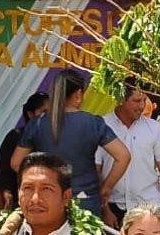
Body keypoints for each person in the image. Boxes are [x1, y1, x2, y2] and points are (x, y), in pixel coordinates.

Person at [12, 71, 130, 218]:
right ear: (79, 94)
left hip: (48, 201)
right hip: (86, 201)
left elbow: (16, 163)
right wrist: (106, 188)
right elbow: (123, 156)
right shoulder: (93, 123)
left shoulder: (37, 124)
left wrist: (40, 184)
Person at [104, 78, 160, 221]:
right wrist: (105, 210)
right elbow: (96, 171)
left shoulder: (154, 128)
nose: (142, 106)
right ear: (121, 99)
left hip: (150, 208)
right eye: (136, 101)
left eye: (144, 100)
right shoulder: (102, 125)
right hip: (113, 210)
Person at [0, 92, 49, 211]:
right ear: (30, 114)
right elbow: (5, 170)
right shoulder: (15, 136)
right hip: (20, 200)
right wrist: (7, 194)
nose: (49, 117)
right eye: (44, 112)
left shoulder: (57, 137)